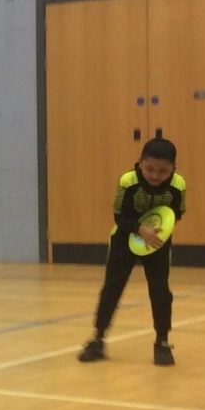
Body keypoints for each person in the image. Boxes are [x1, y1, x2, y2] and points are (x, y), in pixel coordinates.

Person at [78, 137, 186, 367]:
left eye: (163, 171)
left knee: (160, 291)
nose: (155, 175)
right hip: (125, 238)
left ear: (173, 169)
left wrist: (157, 227)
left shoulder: (178, 185)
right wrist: (140, 229)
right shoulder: (128, 181)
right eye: (149, 169)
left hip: (156, 241)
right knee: (112, 287)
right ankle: (98, 339)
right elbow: (119, 216)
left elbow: (177, 213)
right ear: (140, 163)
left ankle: (162, 342)